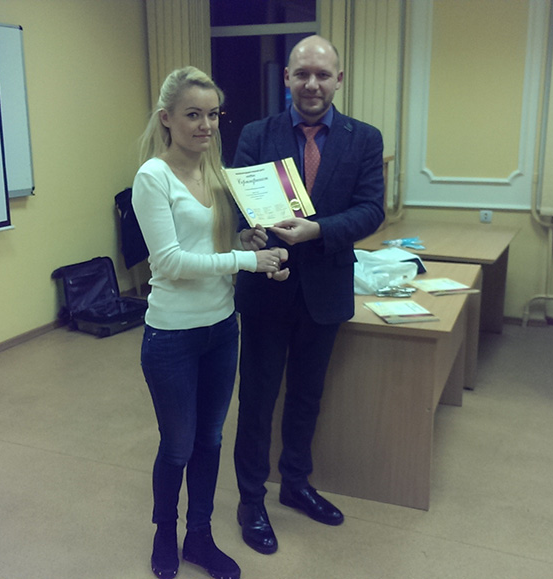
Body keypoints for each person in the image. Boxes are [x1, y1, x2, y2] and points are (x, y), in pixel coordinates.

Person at [230, 35, 386, 555]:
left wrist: (318, 230)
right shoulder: (256, 134)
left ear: (339, 79)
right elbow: (238, 203)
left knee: (306, 396)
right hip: (266, 287)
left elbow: (371, 210)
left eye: (322, 74)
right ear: (287, 79)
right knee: (256, 400)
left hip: (325, 288)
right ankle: (251, 500)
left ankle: (295, 483)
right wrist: (247, 231)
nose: (312, 84)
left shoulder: (365, 139)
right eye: (302, 74)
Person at [132, 66, 289, 579]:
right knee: (178, 446)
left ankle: (199, 536)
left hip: (221, 329)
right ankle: (165, 532)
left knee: (211, 440)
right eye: (193, 115)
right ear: (167, 119)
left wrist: (242, 243)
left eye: (213, 115)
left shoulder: (218, 175)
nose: (206, 125)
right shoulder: (153, 177)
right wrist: (247, 262)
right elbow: (170, 261)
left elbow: (209, 246)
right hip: (171, 336)